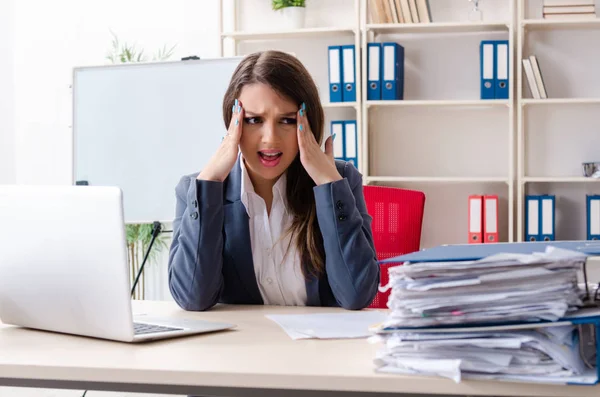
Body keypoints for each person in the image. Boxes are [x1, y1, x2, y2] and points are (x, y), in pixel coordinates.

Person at [167, 50, 380, 311]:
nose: (270, 138)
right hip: (242, 348)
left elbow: (357, 295)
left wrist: (327, 183)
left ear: (308, 123)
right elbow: (192, 297)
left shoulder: (341, 180)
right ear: (233, 124)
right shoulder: (196, 189)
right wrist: (210, 181)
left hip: (320, 349)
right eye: (254, 120)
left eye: (288, 121)